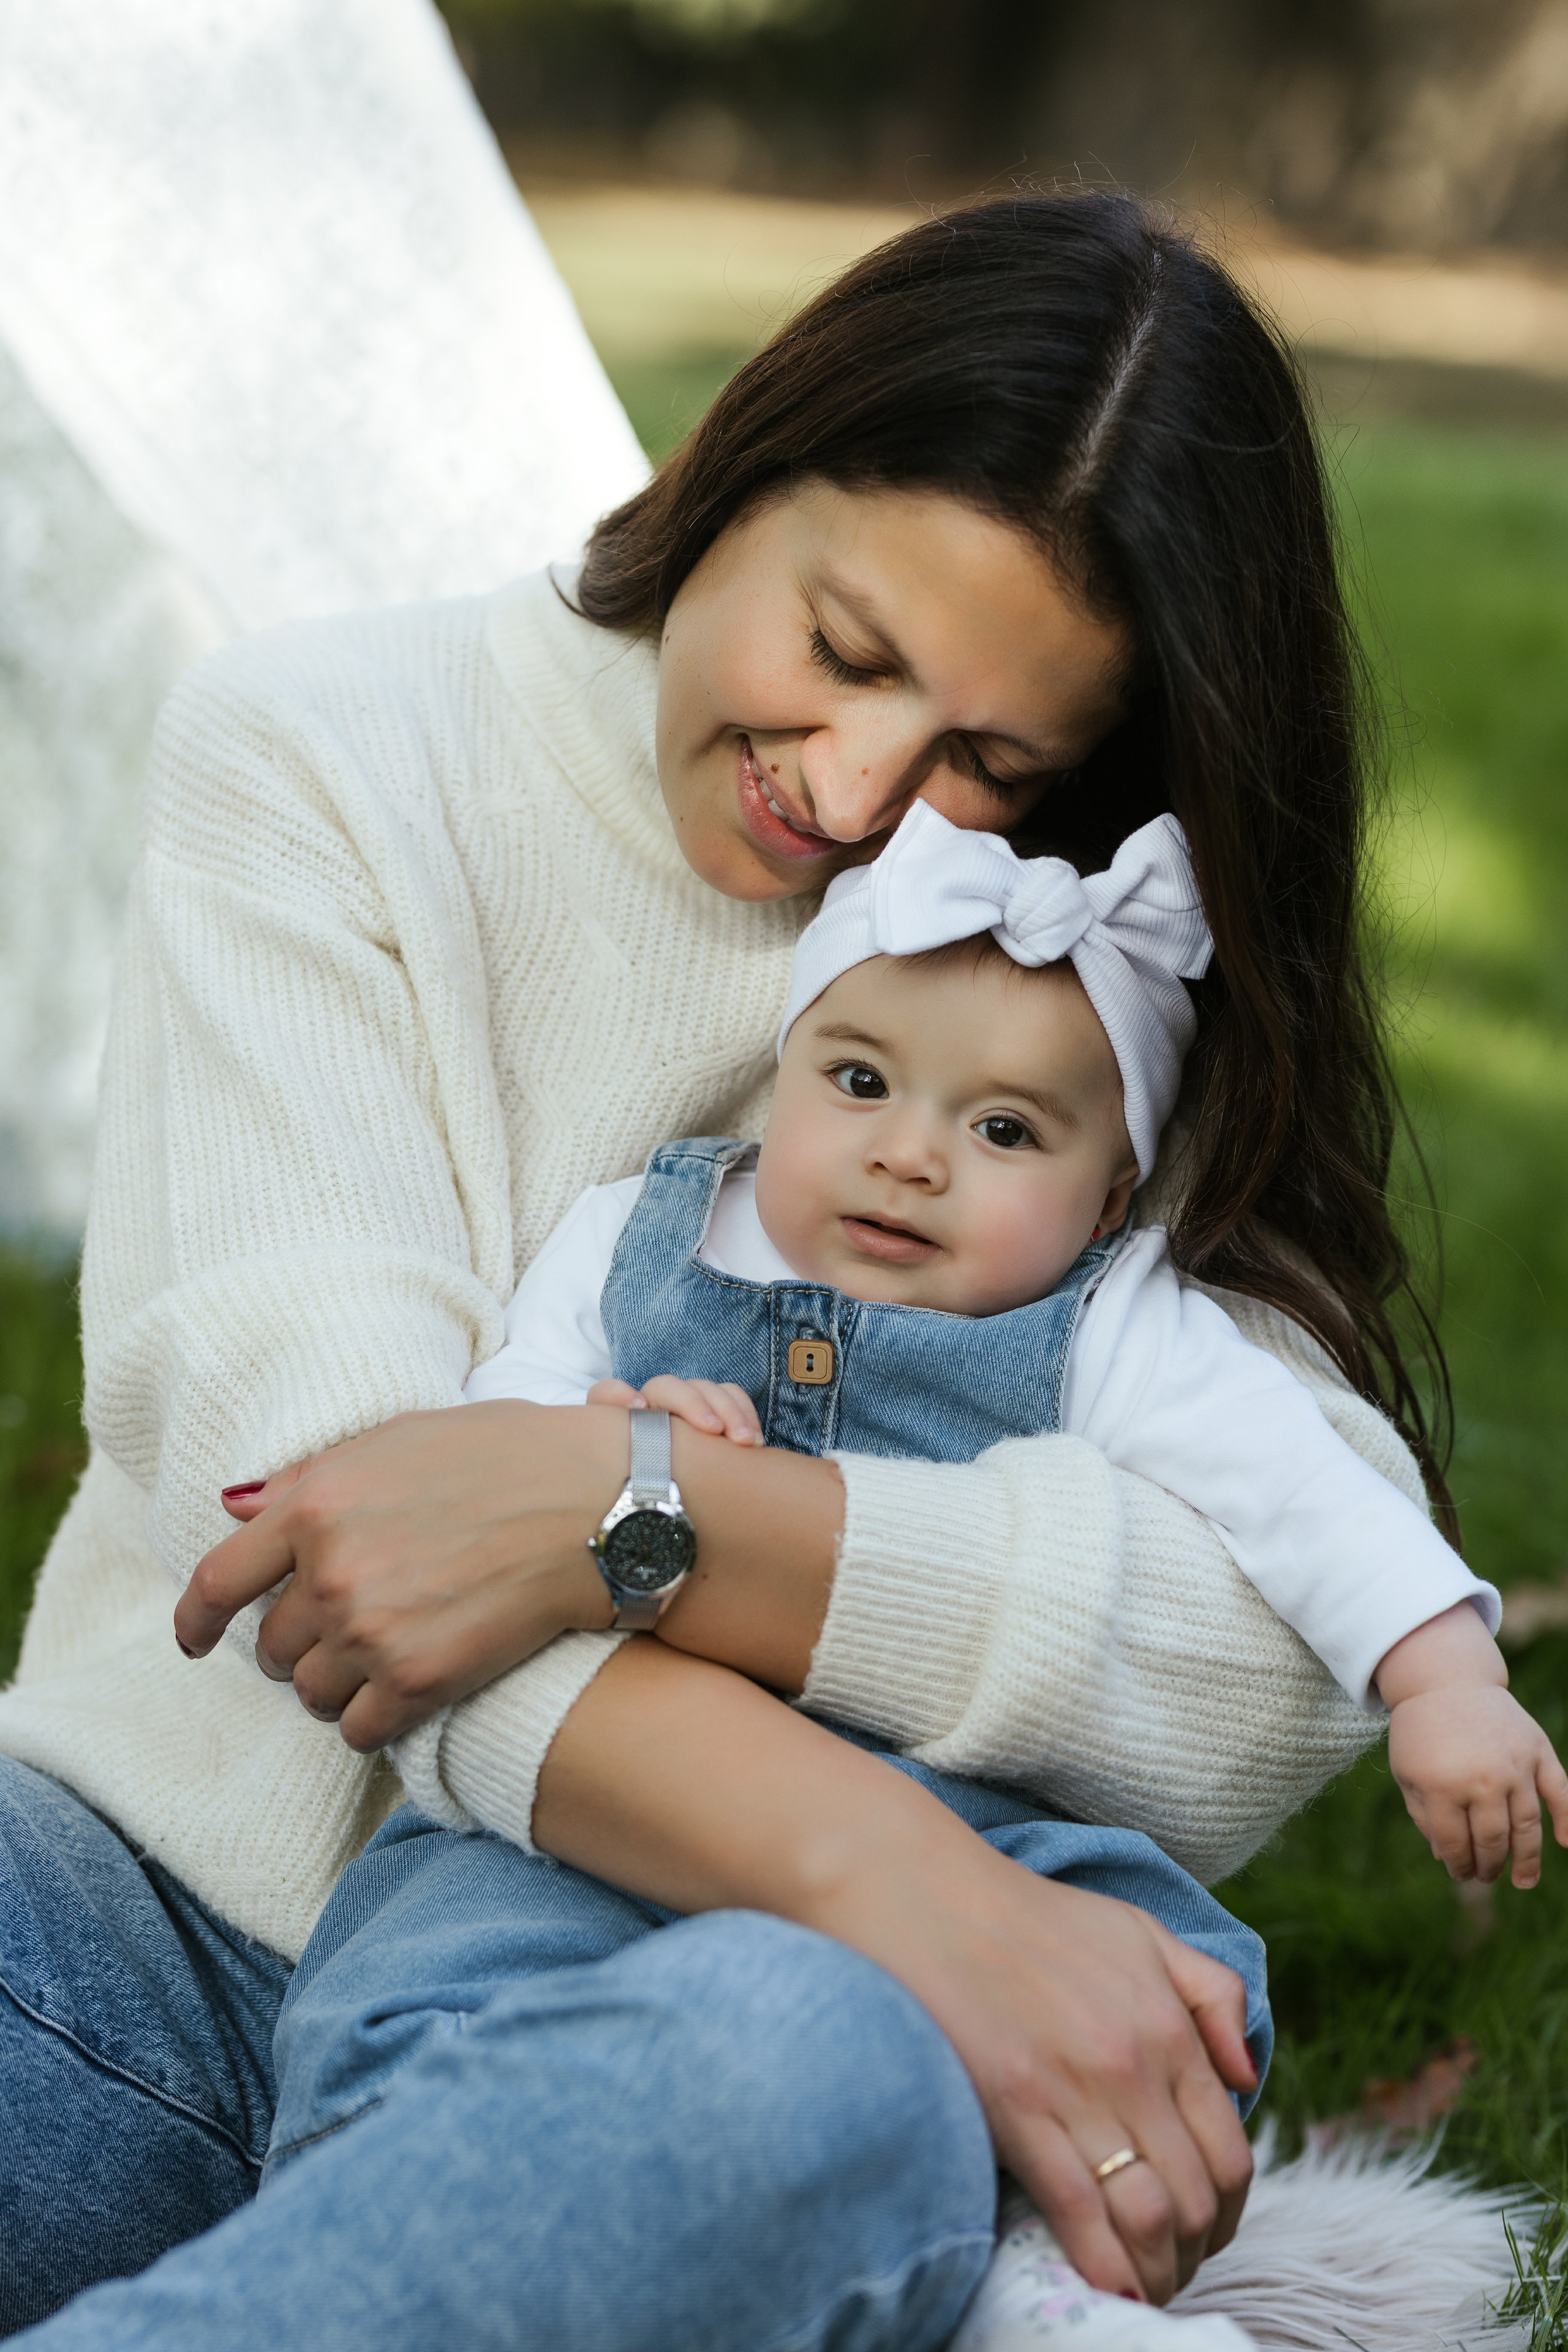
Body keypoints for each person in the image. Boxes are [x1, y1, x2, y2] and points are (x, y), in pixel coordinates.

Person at [0, 194, 1461, 2347]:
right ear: (740, 456)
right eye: (848, 649)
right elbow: (337, 1539)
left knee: (817, 2079)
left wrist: (643, 1521)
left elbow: (1262, 1634)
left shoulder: (1062, 957)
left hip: (692, 2000)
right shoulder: (328, 750)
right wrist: (911, 1885)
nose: (863, 791)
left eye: (990, 760)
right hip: (141, 1922)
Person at [466, 799, 1563, 1915]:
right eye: (859, 1083)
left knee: (1179, 1959)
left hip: (959, 1834)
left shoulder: (1104, 1331)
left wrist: (1444, 1680)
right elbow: (497, 1426)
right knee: (450, 1931)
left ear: (1106, 1203)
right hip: (623, 1788)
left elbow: (1295, 1486)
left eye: (1004, 1131)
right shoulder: (640, 1237)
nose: (907, 1156)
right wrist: (614, 1431)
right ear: (785, 1065)